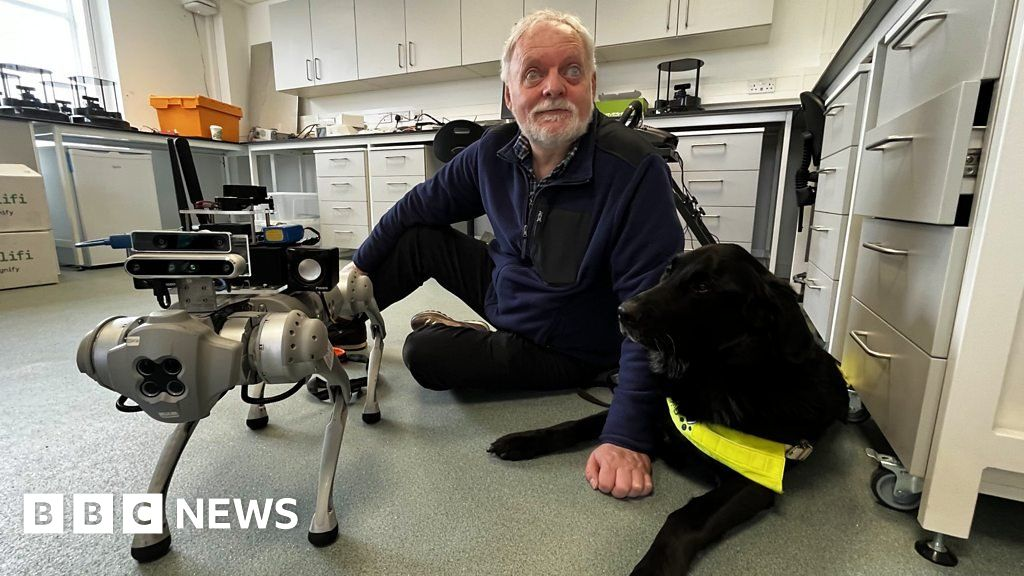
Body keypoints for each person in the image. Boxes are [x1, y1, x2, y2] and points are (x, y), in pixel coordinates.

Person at [335, 10, 683, 499]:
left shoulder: (632, 170)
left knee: (425, 355)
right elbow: (416, 206)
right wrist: (356, 269)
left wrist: (626, 435)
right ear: (510, 94)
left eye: (572, 71)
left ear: (592, 85)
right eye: (534, 74)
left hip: (567, 347)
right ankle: (342, 331)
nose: (553, 88)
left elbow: (652, 313)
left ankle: (464, 336)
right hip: (505, 293)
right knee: (419, 238)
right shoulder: (492, 152)